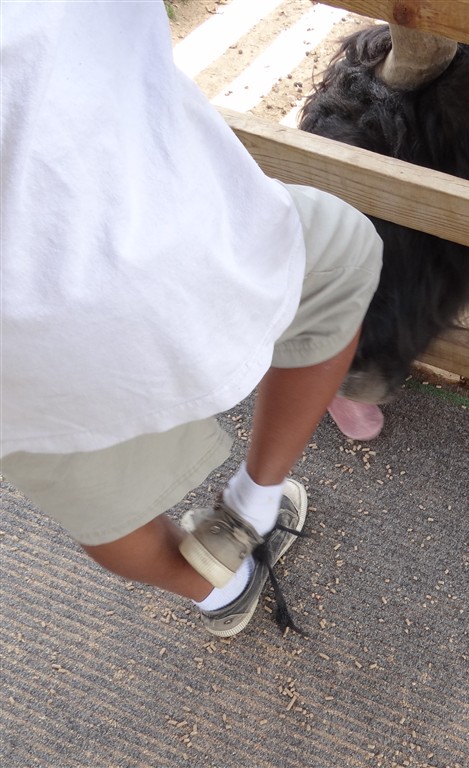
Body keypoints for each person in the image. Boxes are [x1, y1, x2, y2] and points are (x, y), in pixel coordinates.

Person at [0, 3, 382, 637]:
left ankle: (218, 589)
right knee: (344, 255)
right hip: (153, 238)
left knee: (89, 492)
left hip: (12, 354)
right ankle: (253, 506)